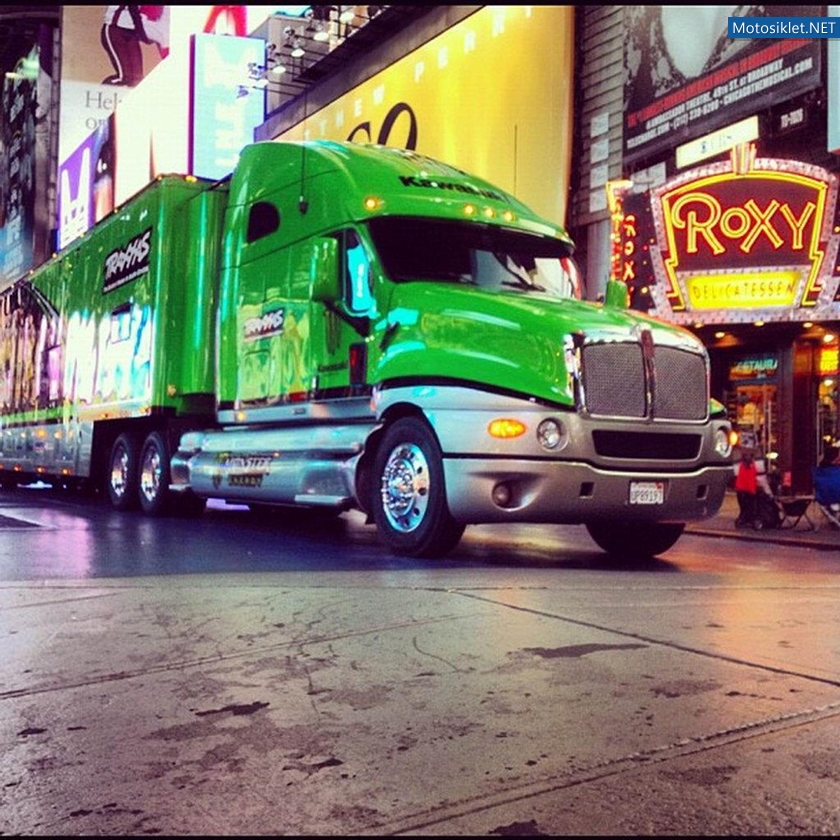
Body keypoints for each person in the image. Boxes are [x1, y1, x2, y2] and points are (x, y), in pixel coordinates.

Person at [734, 449, 759, 528]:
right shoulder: (751, 466)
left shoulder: (741, 465)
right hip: (748, 491)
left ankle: (743, 520)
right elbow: (751, 479)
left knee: (744, 508)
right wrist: (754, 490)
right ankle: (747, 520)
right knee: (749, 507)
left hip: (740, 490)